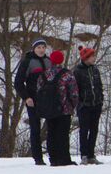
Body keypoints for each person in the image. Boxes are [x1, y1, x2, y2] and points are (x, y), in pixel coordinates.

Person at [36, 50, 79, 166]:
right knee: (63, 135)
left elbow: (38, 91)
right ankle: (64, 159)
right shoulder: (67, 74)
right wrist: (72, 106)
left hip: (49, 109)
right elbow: (74, 93)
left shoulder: (44, 74)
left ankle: (53, 158)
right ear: (62, 60)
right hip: (64, 109)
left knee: (51, 134)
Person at [12, 38, 50, 166]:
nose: (41, 50)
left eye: (43, 47)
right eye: (38, 47)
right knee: (35, 129)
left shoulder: (49, 61)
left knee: (52, 128)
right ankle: (38, 158)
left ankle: (54, 155)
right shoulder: (27, 62)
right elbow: (18, 82)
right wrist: (26, 97)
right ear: (34, 49)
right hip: (33, 100)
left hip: (48, 99)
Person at [73, 47, 104, 164]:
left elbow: (99, 86)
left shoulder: (95, 70)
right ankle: (84, 154)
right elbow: (75, 89)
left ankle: (91, 154)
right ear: (86, 58)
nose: (94, 58)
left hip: (96, 104)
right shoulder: (78, 71)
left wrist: (101, 99)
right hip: (84, 105)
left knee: (94, 130)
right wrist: (80, 103)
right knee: (84, 130)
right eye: (92, 56)